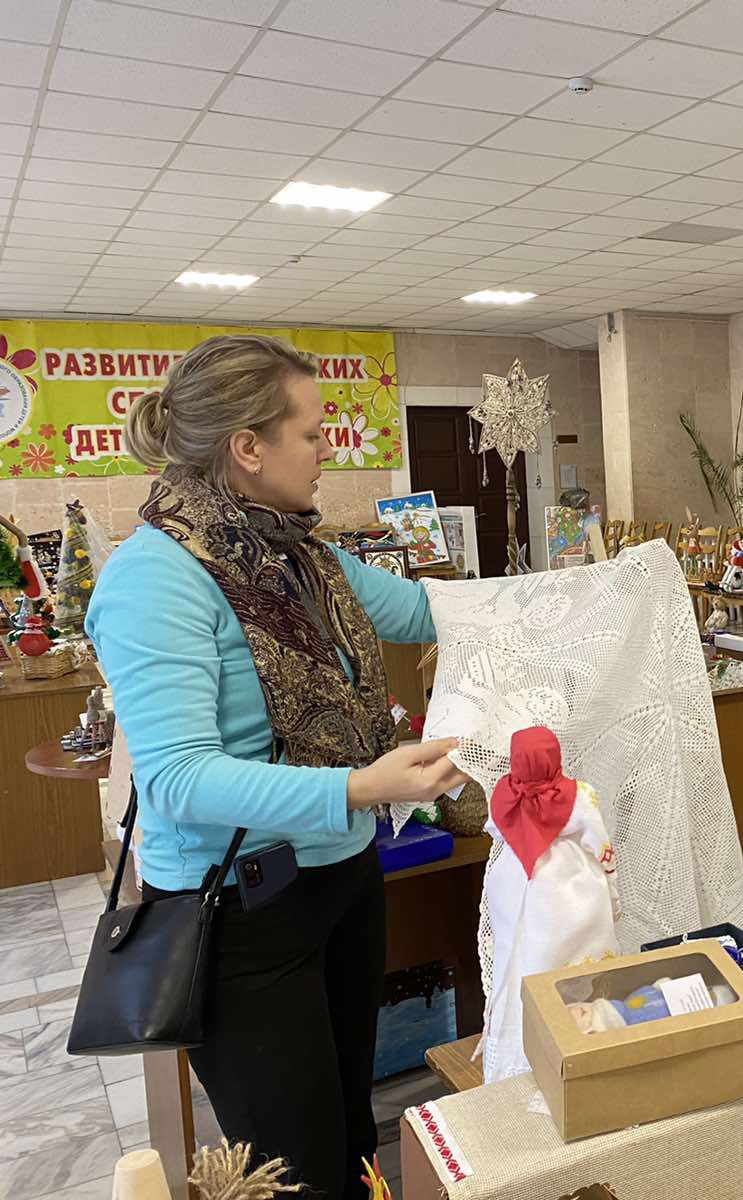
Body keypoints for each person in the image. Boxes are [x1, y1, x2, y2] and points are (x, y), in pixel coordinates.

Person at [86, 335, 468, 1199]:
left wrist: (601, 590)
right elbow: (180, 778)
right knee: (295, 1167)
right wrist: (365, 785)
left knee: (349, 1136)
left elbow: (424, 611)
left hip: (342, 882)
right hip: (239, 918)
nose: (330, 450)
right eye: (313, 433)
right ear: (248, 448)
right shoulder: (155, 579)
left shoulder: (302, 557)